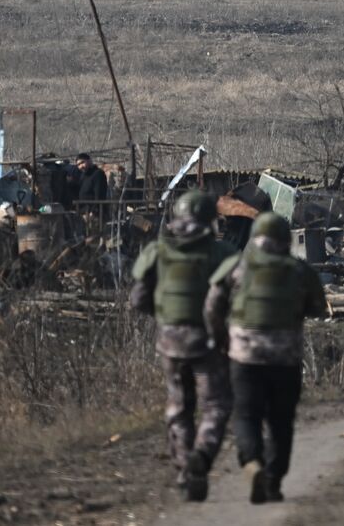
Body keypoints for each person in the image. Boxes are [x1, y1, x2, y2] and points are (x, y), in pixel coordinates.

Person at [205, 211, 329, 504]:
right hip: (286, 359)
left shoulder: (235, 266)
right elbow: (318, 308)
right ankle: (273, 481)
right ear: (285, 239)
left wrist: (221, 338)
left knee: (247, 415)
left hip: (244, 358)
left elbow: (212, 308)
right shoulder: (299, 270)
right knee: (281, 420)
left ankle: (252, 462)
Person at [129, 191, 239, 502]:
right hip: (207, 342)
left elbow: (137, 299)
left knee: (179, 407)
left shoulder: (156, 251)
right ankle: (201, 458)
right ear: (210, 219)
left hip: (170, 342)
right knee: (216, 405)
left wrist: (164, 318)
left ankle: (183, 472)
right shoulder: (224, 253)